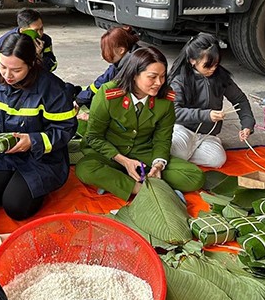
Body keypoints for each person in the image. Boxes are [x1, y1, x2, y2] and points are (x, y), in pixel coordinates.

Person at [76, 47, 204, 200]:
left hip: (142, 153)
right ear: (134, 75)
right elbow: (94, 137)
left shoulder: (165, 99)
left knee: (194, 177)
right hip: (109, 153)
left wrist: (158, 165)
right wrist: (124, 161)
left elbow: (162, 139)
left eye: (163, 76)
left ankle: (120, 180)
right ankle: (139, 188)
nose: (159, 83)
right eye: (152, 77)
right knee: (85, 168)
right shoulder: (109, 94)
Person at [0, 33, 77, 220]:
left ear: (31, 64)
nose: (7, 75)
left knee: (15, 208)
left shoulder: (52, 88)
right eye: (3, 66)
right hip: (7, 154)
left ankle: (32, 187)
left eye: (16, 70)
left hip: (42, 158)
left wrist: (32, 141)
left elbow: (66, 128)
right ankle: (15, 183)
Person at [167, 33, 256, 168]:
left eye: (216, 64)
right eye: (208, 65)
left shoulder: (220, 77)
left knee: (217, 160)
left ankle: (186, 153)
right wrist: (206, 115)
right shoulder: (180, 80)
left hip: (207, 134)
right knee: (177, 151)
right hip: (183, 129)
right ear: (192, 60)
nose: (213, 69)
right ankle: (184, 152)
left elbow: (240, 100)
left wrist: (247, 124)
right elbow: (175, 112)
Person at [75, 26, 142, 113]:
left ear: (121, 50)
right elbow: (103, 80)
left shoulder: (134, 64)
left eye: (108, 50)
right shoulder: (123, 60)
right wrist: (80, 99)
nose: (104, 54)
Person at [0, 8, 57, 72]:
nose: (40, 34)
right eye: (35, 31)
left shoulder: (45, 40)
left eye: (41, 29)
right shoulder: (6, 42)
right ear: (22, 30)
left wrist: (39, 57)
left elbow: (52, 65)